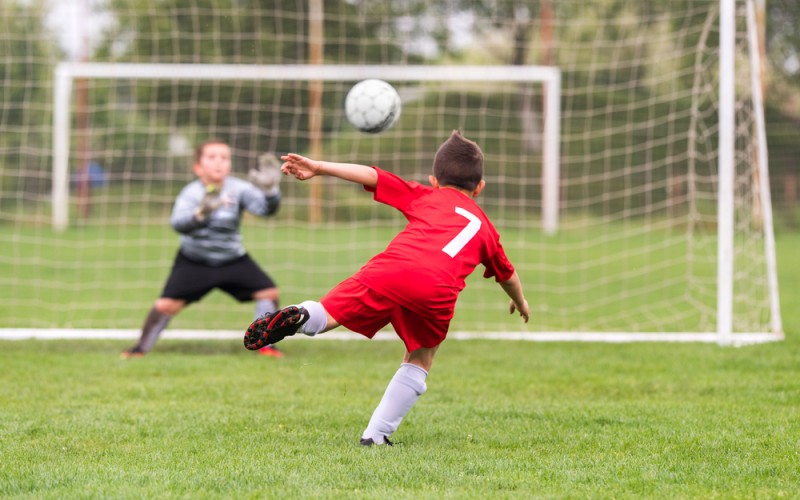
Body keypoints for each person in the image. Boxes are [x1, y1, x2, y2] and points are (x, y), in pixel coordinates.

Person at [243, 130, 530, 445]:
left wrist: (319, 167)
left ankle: (298, 316)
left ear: (434, 180)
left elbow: (372, 175)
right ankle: (376, 436)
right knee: (421, 357)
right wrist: (521, 301)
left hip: (391, 270)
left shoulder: (426, 195)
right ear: (479, 187)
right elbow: (508, 275)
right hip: (436, 290)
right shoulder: (486, 229)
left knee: (328, 314)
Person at [122, 140, 286, 359]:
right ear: (198, 167)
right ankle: (139, 349)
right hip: (194, 261)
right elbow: (177, 225)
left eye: (224, 157)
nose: (219, 162)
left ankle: (266, 345)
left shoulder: (239, 189)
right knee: (166, 305)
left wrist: (271, 192)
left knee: (269, 293)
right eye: (212, 157)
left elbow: (266, 210)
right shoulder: (190, 193)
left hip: (232, 259)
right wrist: (200, 215)